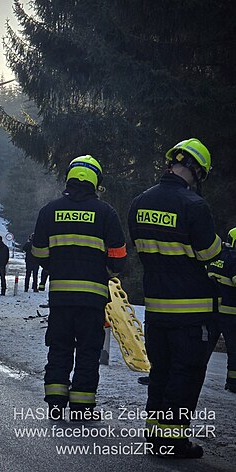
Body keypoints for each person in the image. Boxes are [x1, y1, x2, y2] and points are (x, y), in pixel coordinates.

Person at [128, 138, 221, 459]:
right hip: (191, 312)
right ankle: (173, 441)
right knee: (186, 374)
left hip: (156, 309)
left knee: (161, 372)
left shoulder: (140, 202)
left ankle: (155, 435)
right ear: (196, 169)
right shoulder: (194, 206)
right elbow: (210, 254)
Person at [32, 155, 126, 421]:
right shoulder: (106, 213)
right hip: (92, 299)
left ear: (69, 178)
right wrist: (103, 271)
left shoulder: (49, 211)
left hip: (61, 297)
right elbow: (118, 257)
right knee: (88, 351)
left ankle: (55, 403)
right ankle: (82, 408)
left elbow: (38, 252)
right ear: (96, 181)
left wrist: (57, 267)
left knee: (59, 347)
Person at [207, 227, 236, 393]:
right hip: (231, 314)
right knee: (234, 351)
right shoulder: (234, 258)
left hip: (210, 312)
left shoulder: (215, 256)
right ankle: (233, 383)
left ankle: (192, 377)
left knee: (203, 349)